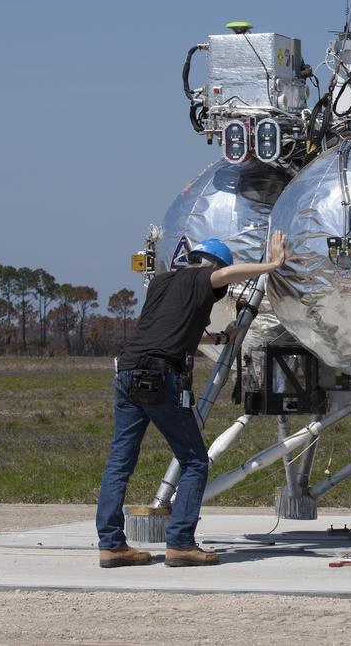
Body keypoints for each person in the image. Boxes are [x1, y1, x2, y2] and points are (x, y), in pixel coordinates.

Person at [95, 232, 287, 568]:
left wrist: (220, 336)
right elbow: (224, 276)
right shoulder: (202, 277)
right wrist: (271, 265)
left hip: (126, 372)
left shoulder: (161, 284)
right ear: (212, 266)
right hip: (158, 376)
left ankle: (111, 545)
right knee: (195, 460)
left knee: (119, 462)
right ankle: (181, 542)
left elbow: (172, 328)